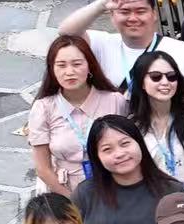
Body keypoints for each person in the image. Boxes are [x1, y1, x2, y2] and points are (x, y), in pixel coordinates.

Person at [59, 0, 184, 134]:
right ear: (112, 16)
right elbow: (66, 33)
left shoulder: (182, 51)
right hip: (116, 145)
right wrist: (100, 5)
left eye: (140, 11)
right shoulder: (103, 43)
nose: (133, 18)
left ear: (154, 14)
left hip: (170, 145)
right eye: (125, 12)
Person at [74, 116, 184, 224]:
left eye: (125, 143)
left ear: (139, 143)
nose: (119, 153)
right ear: (97, 157)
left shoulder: (172, 191)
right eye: (107, 149)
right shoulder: (85, 194)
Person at [29, 36, 125, 194]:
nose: (69, 72)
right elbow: (43, 168)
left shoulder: (115, 101)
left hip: (114, 188)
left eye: (77, 64)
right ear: (52, 69)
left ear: (90, 66)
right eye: (61, 65)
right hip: (66, 192)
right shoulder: (43, 108)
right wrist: (73, 202)